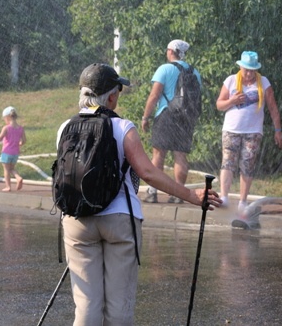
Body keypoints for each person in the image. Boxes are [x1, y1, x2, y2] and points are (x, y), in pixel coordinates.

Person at [60, 63, 220, 325]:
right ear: (111, 97)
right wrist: (192, 196)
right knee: (119, 306)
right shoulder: (122, 127)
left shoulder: (65, 128)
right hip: (119, 220)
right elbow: (148, 173)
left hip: (77, 221)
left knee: (87, 305)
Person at [215, 51, 282, 214]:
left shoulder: (263, 82)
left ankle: (243, 201)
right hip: (231, 129)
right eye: (246, 70)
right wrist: (232, 101)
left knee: (248, 163)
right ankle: (224, 196)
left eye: (252, 70)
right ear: (240, 67)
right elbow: (219, 104)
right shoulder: (231, 80)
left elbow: (273, 107)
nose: (249, 73)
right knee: (228, 162)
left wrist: (278, 130)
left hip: (253, 131)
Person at [141, 39, 202, 204]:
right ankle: (179, 194)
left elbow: (154, 95)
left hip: (166, 115)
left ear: (171, 51)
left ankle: (152, 192)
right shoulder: (194, 72)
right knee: (180, 155)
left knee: (159, 154)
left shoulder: (165, 69)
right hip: (186, 118)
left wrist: (145, 117)